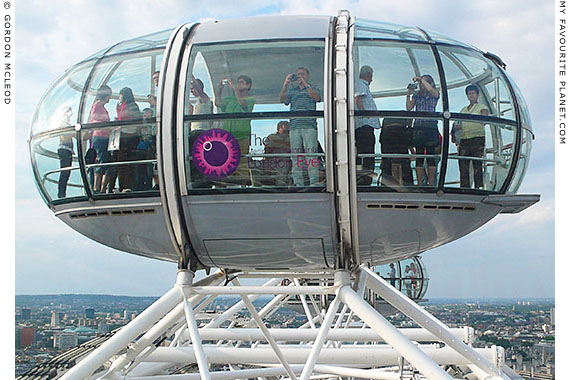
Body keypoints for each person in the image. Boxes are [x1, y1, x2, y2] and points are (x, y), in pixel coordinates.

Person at [280, 67, 322, 186]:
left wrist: (305, 84)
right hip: (294, 127)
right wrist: (285, 84)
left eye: (302, 74)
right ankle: (298, 183)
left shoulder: (313, 88)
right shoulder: (292, 90)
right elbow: (282, 100)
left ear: (307, 76)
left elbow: (317, 98)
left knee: (311, 155)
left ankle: (313, 182)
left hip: (309, 126)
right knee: (295, 156)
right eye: (298, 74)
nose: (300, 76)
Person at [215, 75, 255, 185]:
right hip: (227, 136)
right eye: (238, 82)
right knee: (225, 160)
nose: (239, 84)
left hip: (242, 135)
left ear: (248, 85)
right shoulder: (230, 99)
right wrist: (219, 90)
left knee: (242, 162)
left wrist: (234, 88)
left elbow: (243, 104)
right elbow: (218, 103)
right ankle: (226, 185)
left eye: (242, 82)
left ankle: (244, 186)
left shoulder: (250, 99)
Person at [406, 75, 440, 186]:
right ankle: (420, 183)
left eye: (424, 82)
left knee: (430, 156)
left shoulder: (434, 93)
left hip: (430, 126)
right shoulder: (417, 95)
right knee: (419, 156)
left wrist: (421, 79)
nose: (422, 85)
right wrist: (408, 95)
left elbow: (431, 90)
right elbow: (409, 108)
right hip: (419, 126)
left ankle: (431, 183)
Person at [456, 85, 489, 189]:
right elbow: (459, 123)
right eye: (469, 94)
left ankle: (478, 186)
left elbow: (484, 119)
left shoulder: (481, 107)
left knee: (477, 163)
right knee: (463, 164)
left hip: (477, 138)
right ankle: (464, 187)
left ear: (477, 95)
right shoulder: (463, 109)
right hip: (465, 139)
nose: (471, 96)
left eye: (473, 93)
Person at [354, 65, 380, 185]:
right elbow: (358, 99)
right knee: (367, 153)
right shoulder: (361, 84)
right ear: (368, 75)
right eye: (371, 76)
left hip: (364, 126)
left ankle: (363, 177)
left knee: (364, 153)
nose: (372, 79)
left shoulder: (361, 85)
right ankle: (365, 179)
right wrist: (365, 114)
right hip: (364, 126)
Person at [114, 87, 142, 192]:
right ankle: (126, 185)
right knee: (126, 162)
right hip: (129, 136)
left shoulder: (127, 106)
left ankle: (126, 186)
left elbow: (128, 118)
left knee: (124, 162)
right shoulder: (131, 106)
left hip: (127, 136)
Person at [88, 85, 113, 193]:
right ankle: (97, 188)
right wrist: (108, 123)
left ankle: (101, 188)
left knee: (106, 161)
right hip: (100, 136)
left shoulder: (101, 106)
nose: (110, 98)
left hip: (103, 136)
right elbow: (95, 118)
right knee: (102, 161)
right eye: (109, 96)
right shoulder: (97, 105)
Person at [379, 118, 413, 186]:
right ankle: (408, 186)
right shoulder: (403, 124)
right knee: (404, 162)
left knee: (387, 163)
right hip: (400, 131)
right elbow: (409, 141)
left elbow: (382, 142)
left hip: (387, 133)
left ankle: (385, 186)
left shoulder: (386, 124)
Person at [53, 106, 74, 198]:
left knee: (66, 173)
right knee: (65, 172)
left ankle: (62, 193)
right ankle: (61, 194)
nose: (70, 115)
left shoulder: (66, 124)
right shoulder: (63, 124)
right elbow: (65, 135)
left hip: (67, 150)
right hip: (64, 149)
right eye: (69, 113)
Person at [264, 121, 291, 186]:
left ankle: (280, 188)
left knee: (282, 166)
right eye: (282, 126)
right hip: (271, 160)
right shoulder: (271, 137)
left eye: (285, 126)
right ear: (278, 127)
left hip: (286, 161)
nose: (284, 128)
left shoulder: (292, 138)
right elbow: (267, 150)